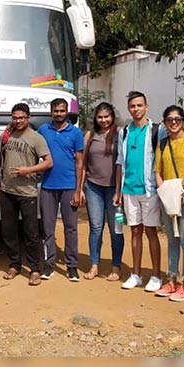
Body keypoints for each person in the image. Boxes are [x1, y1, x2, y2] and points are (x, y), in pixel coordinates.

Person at [0, 103, 53, 286]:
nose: (18, 121)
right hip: (7, 190)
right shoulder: (6, 135)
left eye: (21, 118)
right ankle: (14, 265)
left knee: (31, 233)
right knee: (8, 231)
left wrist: (29, 170)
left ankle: (35, 269)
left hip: (27, 193)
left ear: (28, 118)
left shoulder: (36, 138)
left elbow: (48, 162)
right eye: (15, 118)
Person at [114, 91, 162, 291]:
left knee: (151, 232)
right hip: (128, 189)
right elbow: (120, 161)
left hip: (149, 190)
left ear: (146, 107)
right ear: (128, 108)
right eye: (132, 106)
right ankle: (136, 274)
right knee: (135, 231)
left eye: (139, 105)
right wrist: (118, 191)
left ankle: (156, 276)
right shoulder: (124, 132)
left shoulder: (157, 130)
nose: (136, 109)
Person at [153, 105, 184, 301]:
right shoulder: (162, 144)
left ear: (183, 120)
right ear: (164, 122)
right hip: (167, 197)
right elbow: (158, 170)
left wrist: (178, 187)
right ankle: (172, 279)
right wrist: (164, 190)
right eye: (169, 119)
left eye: (177, 119)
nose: (174, 122)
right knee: (172, 240)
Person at [37, 98, 85, 281]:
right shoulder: (43, 130)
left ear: (67, 112)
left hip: (69, 186)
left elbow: (79, 162)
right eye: (56, 111)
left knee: (71, 228)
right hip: (48, 186)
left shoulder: (76, 133)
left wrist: (78, 189)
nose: (59, 114)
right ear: (51, 112)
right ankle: (49, 264)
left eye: (62, 110)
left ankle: (72, 266)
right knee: (47, 228)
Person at [80, 102, 124, 281]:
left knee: (117, 229)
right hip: (93, 188)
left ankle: (116, 267)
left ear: (112, 116)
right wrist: (80, 188)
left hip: (115, 191)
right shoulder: (90, 135)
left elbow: (123, 163)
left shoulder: (120, 134)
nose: (104, 120)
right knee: (96, 227)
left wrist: (119, 191)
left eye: (107, 116)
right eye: (100, 117)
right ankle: (94, 265)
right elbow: (83, 164)